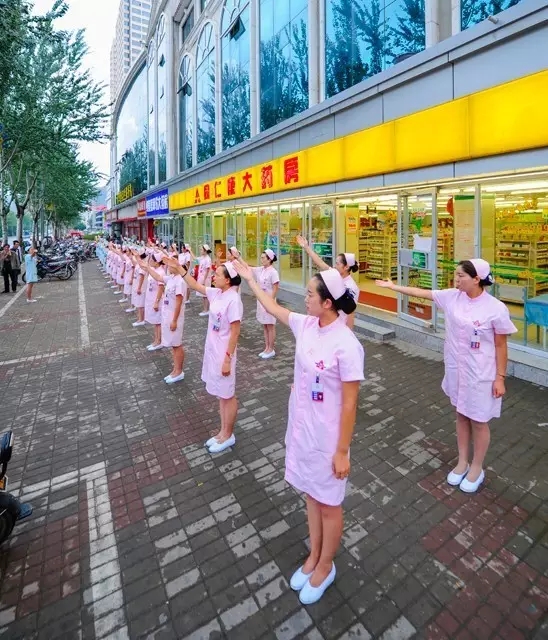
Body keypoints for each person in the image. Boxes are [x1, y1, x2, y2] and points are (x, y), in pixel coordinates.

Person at [235, 260, 364, 605]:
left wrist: (342, 451)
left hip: (330, 438)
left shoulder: (347, 344)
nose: (304, 298)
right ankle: (314, 554)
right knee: (311, 494)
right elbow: (272, 306)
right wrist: (250, 279)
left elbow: (350, 404)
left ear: (327, 302)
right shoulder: (306, 325)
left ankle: (326, 565)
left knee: (329, 503)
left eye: (309, 294)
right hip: (304, 428)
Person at [376, 258, 517, 493]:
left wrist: (500, 377)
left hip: (481, 374)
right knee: (461, 414)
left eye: (461, 275)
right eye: (456, 274)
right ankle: (462, 462)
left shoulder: (495, 308)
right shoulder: (452, 296)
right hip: (457, 369)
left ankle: (477, 467)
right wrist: (393, 287)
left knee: (478, 420)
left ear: (476, 279)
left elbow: (501, 345)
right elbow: (423, 293)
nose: (456, 279)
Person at [169, 257, 243, 453]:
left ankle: (228, 434)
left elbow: (235, 332)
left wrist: (227, 358)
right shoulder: (217, 293)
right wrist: (179, 268)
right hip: (213, 351)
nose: (213, 276)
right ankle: (222, 432)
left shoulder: (234, 300)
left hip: (224, 354)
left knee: (228, 394)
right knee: (221, 394)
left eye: (217, 274)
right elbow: (194, 285)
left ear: (228, 280)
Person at [297, 235, 360, 329]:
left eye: (337, 264)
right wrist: (306, 247)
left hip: (338, 326)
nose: (334, 266)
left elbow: (350, 313)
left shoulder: (351, 287)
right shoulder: (334, 275)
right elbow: (320, 263)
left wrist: (348, 332)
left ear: (346, 267)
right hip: (325, 322)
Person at [145, 256, 187, 383]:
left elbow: (179, 303)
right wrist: (147, 267)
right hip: (168, 316)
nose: (168, 266)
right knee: (173, 345)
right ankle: (175, 370)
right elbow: (158, 277)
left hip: (174, 318)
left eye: (171, 265)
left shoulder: (180, 281)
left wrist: (174, 320)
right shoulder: (172, 278)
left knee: (177, 345)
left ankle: (179, 371)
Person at [252, 249, 280, 358]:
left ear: (269, 259)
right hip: (261, 301)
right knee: (265, 324)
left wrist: (270, 302)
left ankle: (271, 349)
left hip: (269, 302)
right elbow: (249, 268)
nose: (261, 259)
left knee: (270, 325)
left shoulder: (273, 272)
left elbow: (275, 288)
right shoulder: (261, 269)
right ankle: (266, 347)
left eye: (263, 258)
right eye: (261, 257)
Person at [141, 251, 165, 352]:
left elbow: (161, 288)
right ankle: (156, 340)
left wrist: (156, 302)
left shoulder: (161, 272)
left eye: (152, 260)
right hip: (151, 298)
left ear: (157, 262)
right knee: (155, 322)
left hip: (157, 299)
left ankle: (159, 341)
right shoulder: (154, 270)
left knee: (158, 322)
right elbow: (143, 266)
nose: (150, 261)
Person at [130, 250, 147, 327]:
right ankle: (140, 318)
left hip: (141, 287)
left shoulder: (142, 264)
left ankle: (141, 320)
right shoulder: (139, 263)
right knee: (138, 303)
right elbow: (135, 263)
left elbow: (142, 276)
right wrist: (131, 257)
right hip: (137, 284)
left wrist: (139, 287)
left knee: (140, 304)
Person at [196, 244, 212, 317]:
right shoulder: (203, 258)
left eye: (201, 250)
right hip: (202, 278)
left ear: (205, 251)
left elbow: (208, 270)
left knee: (205, 294)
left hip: (205, 279)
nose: (200, 251)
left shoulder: (208, 259)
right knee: (203, 295)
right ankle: (205, 309)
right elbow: (195, 259)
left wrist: (204, 280)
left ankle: (206, 310)